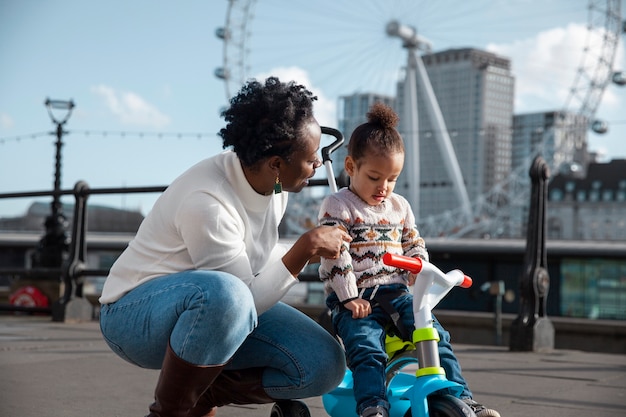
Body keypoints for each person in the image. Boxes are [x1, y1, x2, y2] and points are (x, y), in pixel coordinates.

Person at [99, 76, 352, 417]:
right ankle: (169, 412)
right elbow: (242, 299)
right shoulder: (209, 202)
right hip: (133, 316)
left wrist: (318, 247)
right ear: (275, 164)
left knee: (324, 364)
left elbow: (253, 272)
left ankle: (200, 398)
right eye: (309, 160)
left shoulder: (273, 187)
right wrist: (305, 249)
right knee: (226, 296)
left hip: (214, 307)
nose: (318, 164)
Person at [318, 103, 501, 417]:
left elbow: (413, 240)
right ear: (350, 166)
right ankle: (372, 405)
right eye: (375, 177)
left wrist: (419, 263)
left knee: (435, 336)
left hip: (397, 292)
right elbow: (336, 255)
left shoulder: (399, 206)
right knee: (367, 348)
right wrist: (347, 297)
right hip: (357, 296)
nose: (384, 187)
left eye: (392, 178)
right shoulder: (338, 205)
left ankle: (462, 398)